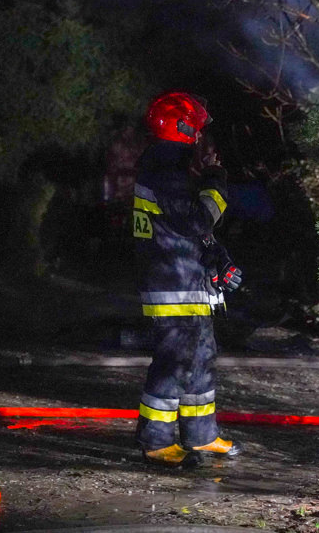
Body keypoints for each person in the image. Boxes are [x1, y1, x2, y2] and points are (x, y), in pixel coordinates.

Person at [133, 91, 244, 467]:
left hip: (187, 280)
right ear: (180, 128)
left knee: (200, 359)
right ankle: (156, 442)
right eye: (195, 129)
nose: (198, 138)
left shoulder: (168, 169)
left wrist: (217, 258)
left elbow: (188, 231)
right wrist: (216, 180)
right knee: (173, 363)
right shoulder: (163, 171)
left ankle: (201, 435)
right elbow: (198, 219)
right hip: (172, 283)